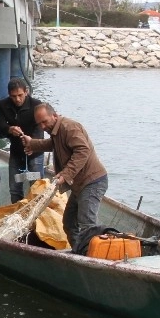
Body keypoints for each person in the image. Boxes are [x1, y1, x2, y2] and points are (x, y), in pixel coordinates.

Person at [21, 102, 108, 253]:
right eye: (39, 123)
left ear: (54, 115)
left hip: (92, 182)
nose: (42, 126)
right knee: (69, 223)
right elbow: (53, 145)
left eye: (44, 121)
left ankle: (95, 257)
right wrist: (32, 143)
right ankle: (80, 252)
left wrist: (65, 174)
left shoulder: (69, 127)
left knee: (87, 224)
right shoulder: (56, 131)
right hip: (79, 185)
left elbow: (82, 151)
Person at [0, 77, 44, 203]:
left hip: (34, 153)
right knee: (15, 189)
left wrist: (32, 144)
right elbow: (0, 124)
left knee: (38, 187)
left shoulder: (36, 104)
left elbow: (40, 128)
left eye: (20, 95)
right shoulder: (4, 104)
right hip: (16, 152)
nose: (17, 99)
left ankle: (38, 215)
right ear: (9, 95)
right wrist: (9, 129)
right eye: (13, 96)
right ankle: (18, 214)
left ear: (26, 91)